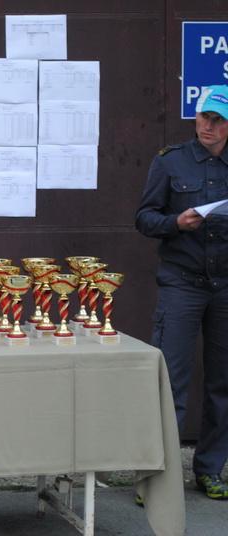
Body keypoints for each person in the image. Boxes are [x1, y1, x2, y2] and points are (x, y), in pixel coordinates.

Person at [136, 84, 228, 500]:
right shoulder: (170, 161)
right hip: (182, 284)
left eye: (218, 120)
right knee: (169, 382)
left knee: (221, 384)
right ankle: (156, 478)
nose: (208, 126)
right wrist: (175, 223)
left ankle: (209, 470)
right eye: (204, 117)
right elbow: (144, 218)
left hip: (225, 287)